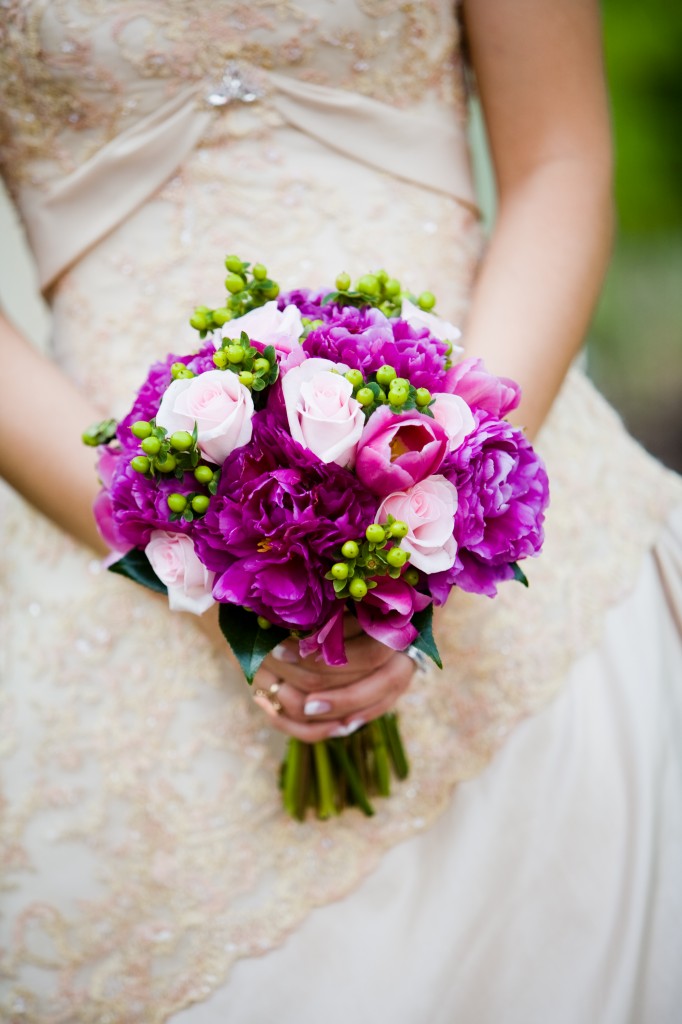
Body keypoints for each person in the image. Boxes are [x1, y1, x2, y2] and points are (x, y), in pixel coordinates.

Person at [0, 2, 680, 1021]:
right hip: (104, 527)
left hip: (499, 489)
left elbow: (560, 165)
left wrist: (443, 497)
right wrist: (178, 532)